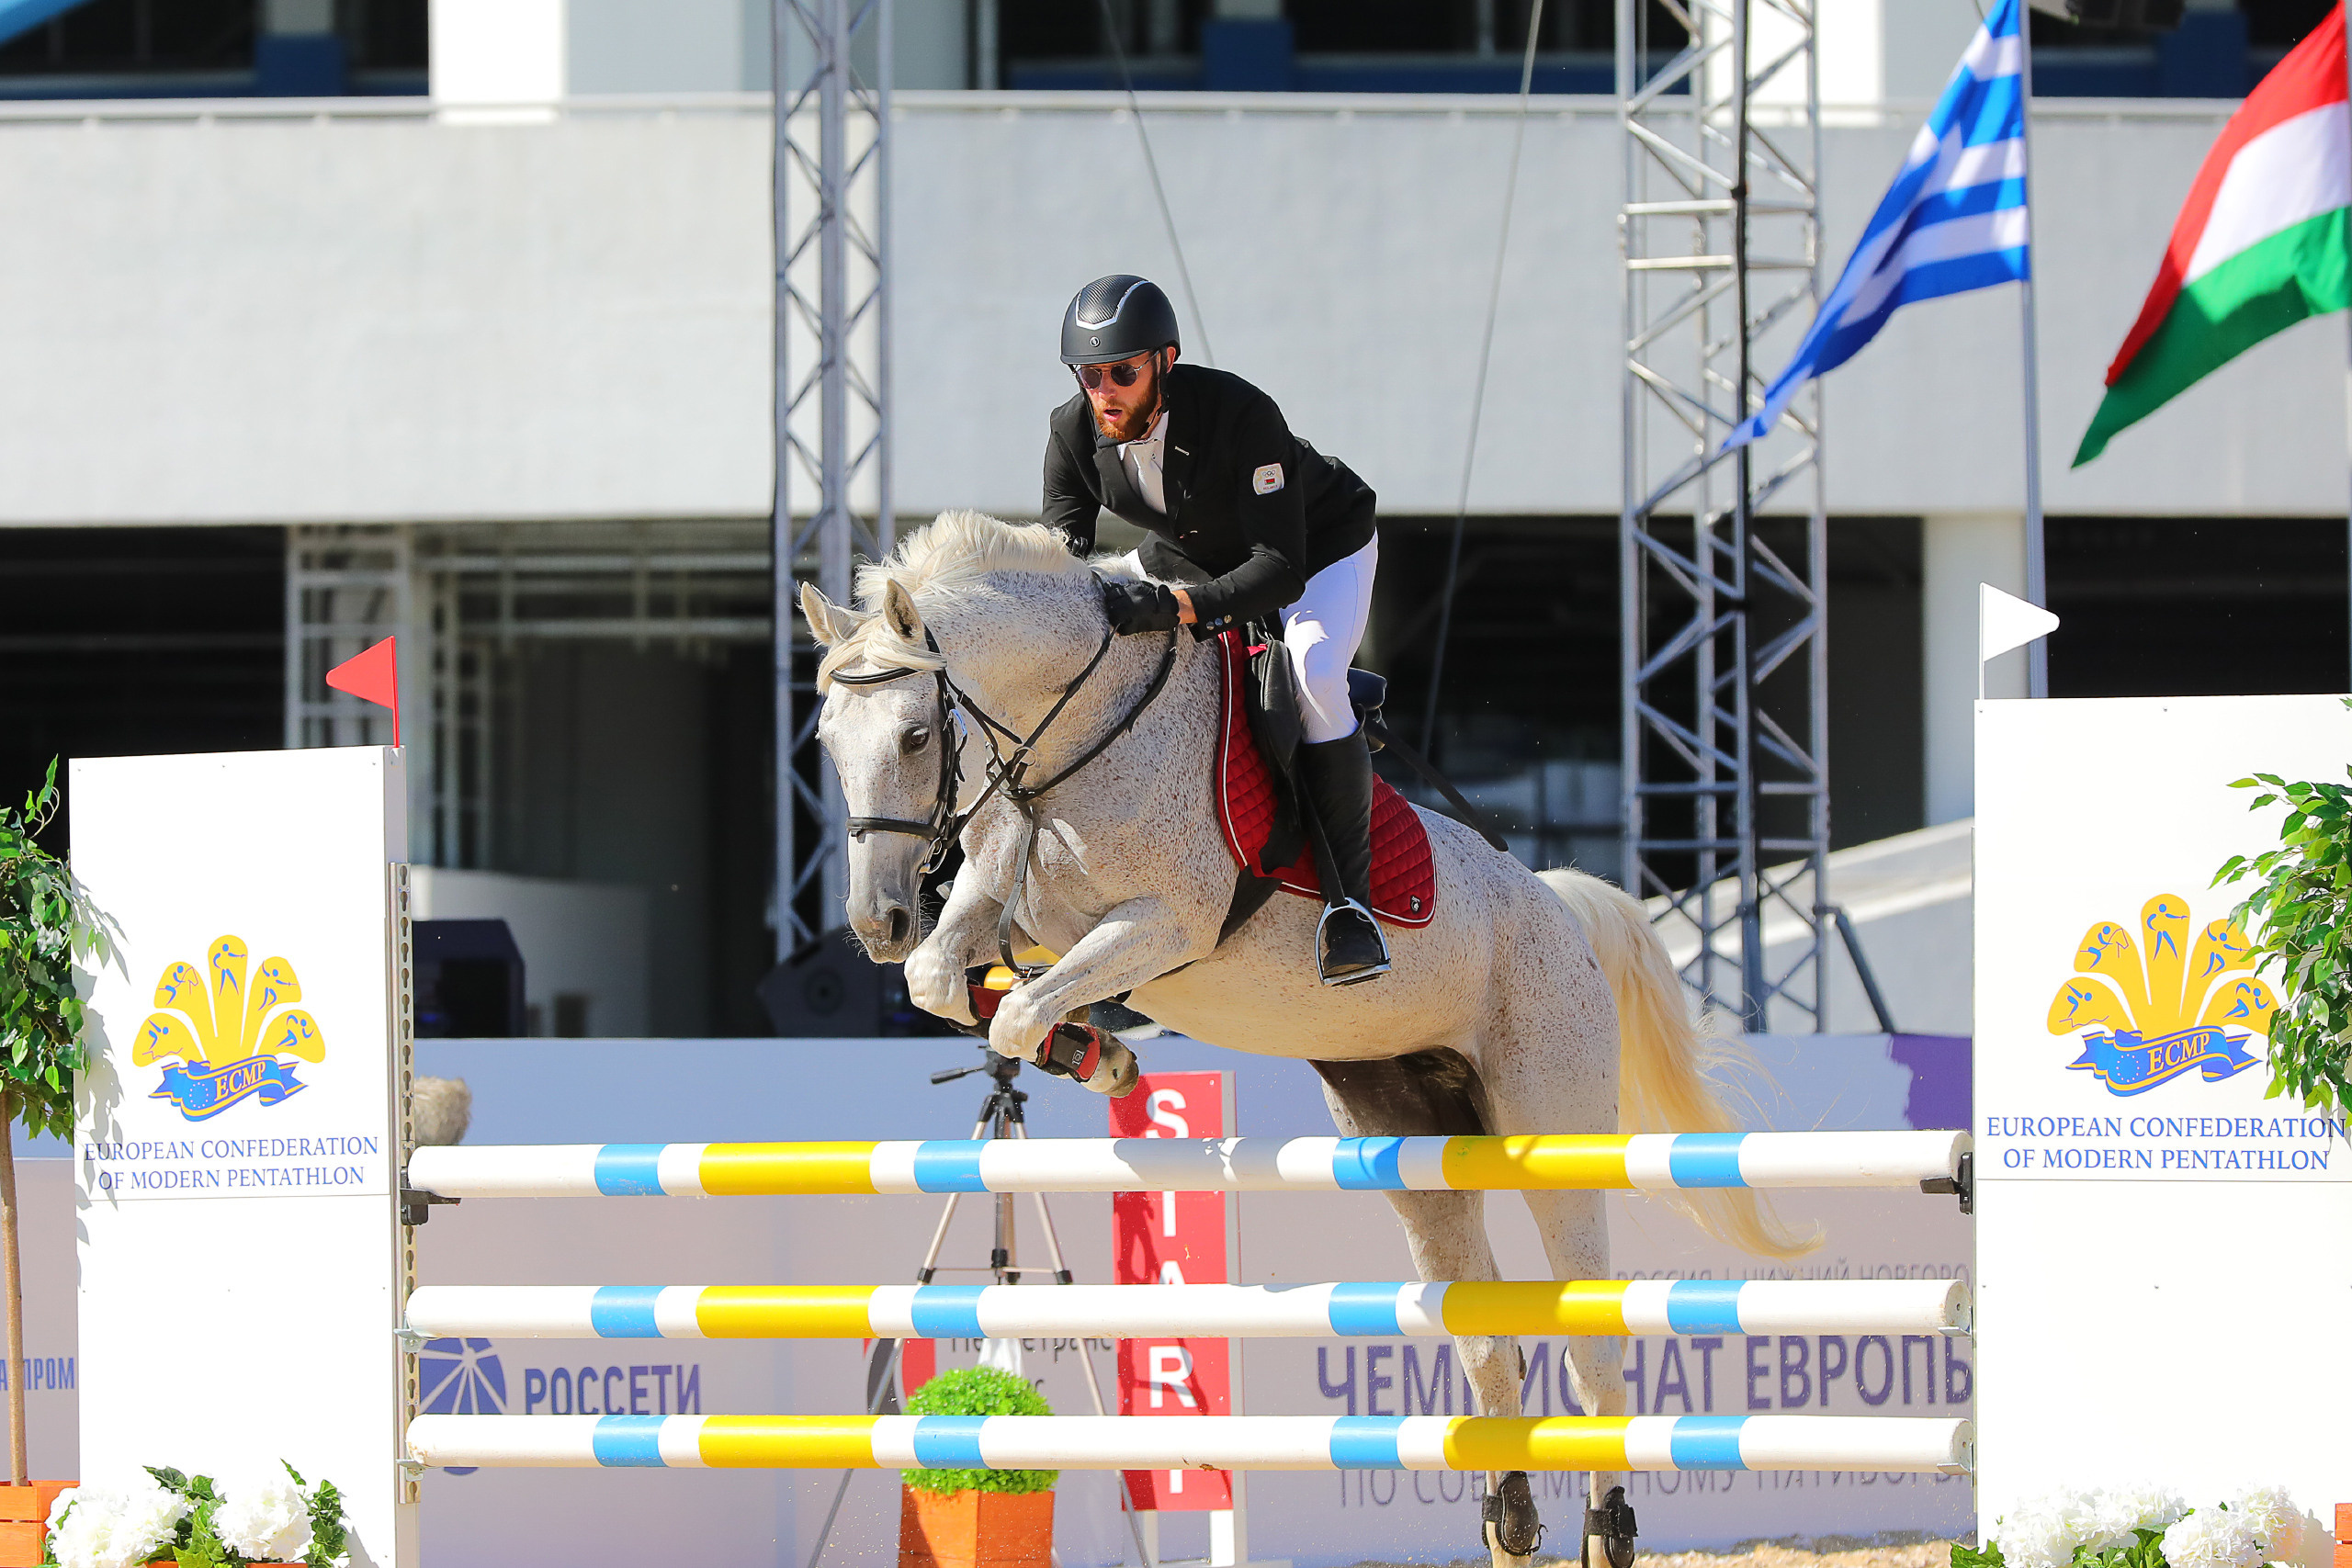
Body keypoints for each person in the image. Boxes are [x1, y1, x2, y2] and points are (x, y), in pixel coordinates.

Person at [1041, 273, 1389, 986]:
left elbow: (1279, 568)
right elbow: (1062, 559)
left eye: (1122, 373)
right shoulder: (1072, 429)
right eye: (1089, 374)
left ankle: (1350, 907)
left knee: (1313, 667)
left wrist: (1178, 610)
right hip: (1195, 549)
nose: (1103, 390)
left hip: (1317, 548)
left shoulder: (1241, 413)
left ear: (1164, 362)